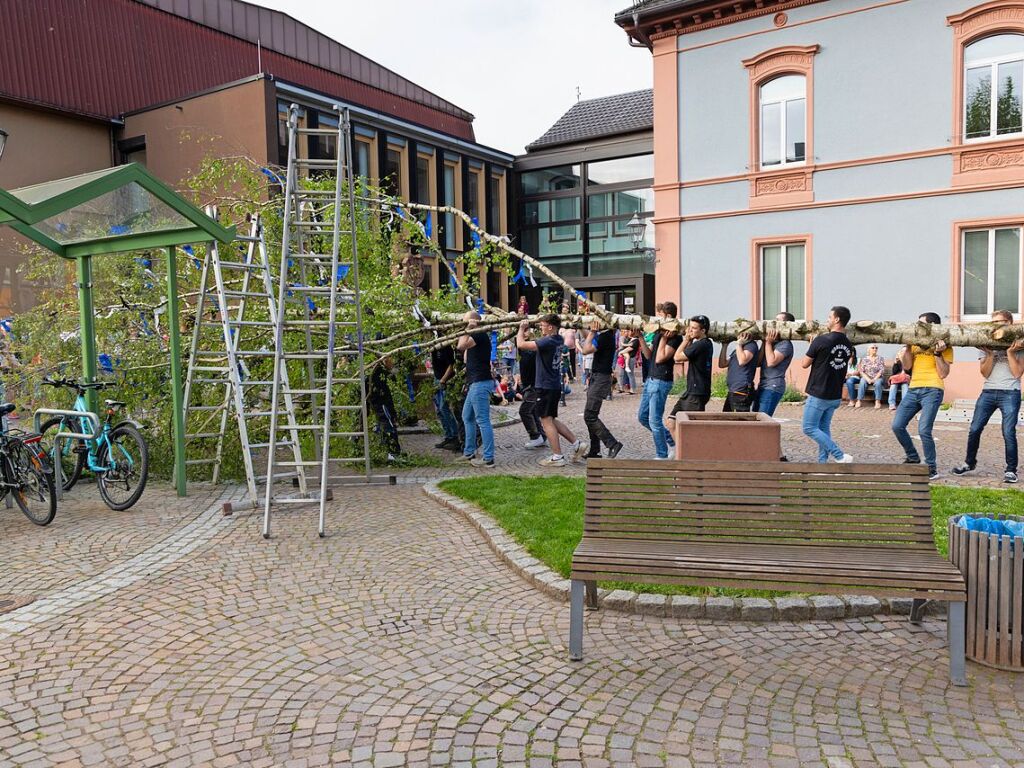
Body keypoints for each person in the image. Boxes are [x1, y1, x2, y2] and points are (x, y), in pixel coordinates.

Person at [952, 310, 1024, 484]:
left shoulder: (1019, 344)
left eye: (1000, 321)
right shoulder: (986, 343)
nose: (996, 325)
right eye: (993, 322)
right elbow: (985, 373)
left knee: (1008, 432)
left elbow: (1017, 373)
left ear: (1010, 323)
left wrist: (1009, 353)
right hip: (989, 391)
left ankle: (1011, 470)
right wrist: (990, 354)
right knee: (975, 428)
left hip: (1010, 392)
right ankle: (969, 463)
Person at [891, 311, 954, 480]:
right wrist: (906, 349)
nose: (917, 326)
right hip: (913, 389)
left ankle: (931, 468)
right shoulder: (915, 343)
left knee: (924, 430)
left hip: (933, 389)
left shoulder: (945, 344)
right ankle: (912, 456)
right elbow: (907, 366)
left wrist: (938, 354)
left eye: (921, 323)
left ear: (932, 326)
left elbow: (943, 374)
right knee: (897, 425)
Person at [517, 314, 585, 467]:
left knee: (546, 421)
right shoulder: (558, 339)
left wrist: (521, 329)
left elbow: (521, 344)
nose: (540, 327)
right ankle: (576, 443)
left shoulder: (547, 341)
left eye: (543, 325)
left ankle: (557, 456)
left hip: (545, 386)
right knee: (551, 419)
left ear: (550, 327)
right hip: (553, 385)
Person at [800, 306, 856, 463]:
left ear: (837, 319)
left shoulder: (821, 340)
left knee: (809, 428)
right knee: (823, 429)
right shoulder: (848, 344)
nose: (827, 319)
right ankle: (823, 465)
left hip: (819, 392)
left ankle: (839, 455)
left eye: (830, 316)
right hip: (835, 394)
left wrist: (811, 346)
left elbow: (805, 363)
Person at [637, 302, 683, 459]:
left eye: (660, 315)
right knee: (643, 417)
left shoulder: (675, 337)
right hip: (650, 379)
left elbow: (661, 358)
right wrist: (640, 337)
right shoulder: (659, 333)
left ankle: (662, 455)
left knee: (654, 420)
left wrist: (664, 338)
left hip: (661, 381)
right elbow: (649, 356)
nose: (658, 318)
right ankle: (671, 442)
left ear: (668, 316)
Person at [457, 311, 496, 468]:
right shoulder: (476, 336)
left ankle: (488, 458)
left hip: (480, 382)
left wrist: (467, 329)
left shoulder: (479, 334)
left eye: (466, 321)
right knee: (467, 416)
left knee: (483, 420)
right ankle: (469, 452)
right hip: (474, 382)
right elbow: (466, 356)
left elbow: (460, 346)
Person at [580, 320, 623, 459]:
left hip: (600, 378)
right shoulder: (606, 335)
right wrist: (582, 328)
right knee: (591, 416)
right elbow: (590, 339)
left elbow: (586, 350)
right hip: (598, 377)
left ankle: (612, 444)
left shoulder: (605, 337)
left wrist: (592, 332)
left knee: (590, 416)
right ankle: (595, 451)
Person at [671, 314, 714, 413]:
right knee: (672, 420)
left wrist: (686, 340)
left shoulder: (700, 344)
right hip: (693, 391)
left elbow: (677, 357)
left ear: (703, 331)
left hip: (696, 392)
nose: (690, 330)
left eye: (694, 328)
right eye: (690, 327)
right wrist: (689, 341)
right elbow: (688, 354)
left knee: (691, 426)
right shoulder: (706, 343)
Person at [756, 312, 795, 417]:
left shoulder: (785, 344)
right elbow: (758, 363)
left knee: (763, 420)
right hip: (763, 385)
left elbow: (771, 361)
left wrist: (768, 343)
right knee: (755, 419)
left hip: (773, 386)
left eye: (778, 321)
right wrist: (764, 343)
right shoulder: (771, 342)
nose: (774, 323)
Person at [368, 359, 402, 461]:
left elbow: (394, 376)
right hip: (380, 401)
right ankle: (392, 452)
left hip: (384, 400)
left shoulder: (382, 370)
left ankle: (390, 451)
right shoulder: (376, 371)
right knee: (387, 425)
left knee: (386, 424)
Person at [430, 341, 461, 451]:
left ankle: (454, 436)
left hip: (445, 381)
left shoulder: (445, 346)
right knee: (439, 410)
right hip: (437, 379)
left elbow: (451, 365)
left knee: (444, 408)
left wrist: (443, 380)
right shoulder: (433, 347)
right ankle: (448, 436)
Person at [518, 334, 547, 450]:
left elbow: (521, 345)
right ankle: (542, 436)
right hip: (530, 386)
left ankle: (535, 436)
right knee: (533, 411)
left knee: (524, 411)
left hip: (533, 387)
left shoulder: (533, 353)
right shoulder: (525, 352)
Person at [719, 330, 759, 412]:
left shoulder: (751, 345)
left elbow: (742, 361)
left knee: (740, 420)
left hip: (741, 390)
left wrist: (738, 344)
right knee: (727, 419)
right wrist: (724, 346)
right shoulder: (738, 349)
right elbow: (722, 364)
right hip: (733, 390)